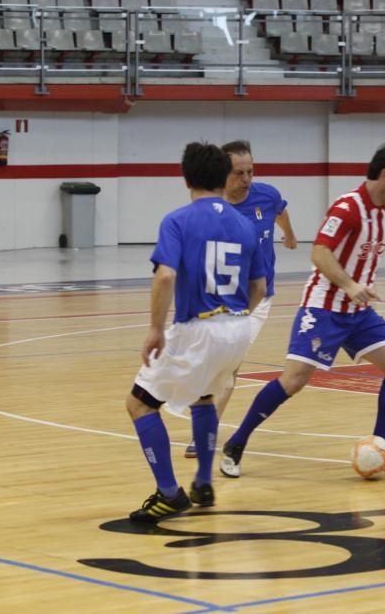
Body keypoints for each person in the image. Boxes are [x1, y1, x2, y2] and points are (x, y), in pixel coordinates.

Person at [219, 143, 385, 478]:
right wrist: (350, 285)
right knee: (293, 380)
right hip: (324, 307)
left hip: (359, 311)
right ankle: (236, 442)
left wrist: (358, 291)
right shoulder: (347, 208)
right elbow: (320, 254)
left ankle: (382, 445)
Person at [125, 142, 267, 523]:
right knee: (203, 396)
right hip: (238, 328)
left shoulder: (178, 220)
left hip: (200, 327)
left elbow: (166, 275)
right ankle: (203, 481)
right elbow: (259, 288)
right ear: (224, 177)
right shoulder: (245, 225)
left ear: (186, 177)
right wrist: (234, 322)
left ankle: (169, 493)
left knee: (140, 403)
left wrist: (156, 329)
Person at [185, 140, 297, 458]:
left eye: (250, 171)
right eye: (238, 173)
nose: (246, 178)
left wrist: (288, 234)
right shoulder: (212, 206)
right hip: (218, 298)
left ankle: (205, 434)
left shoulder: (268, 195)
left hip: (257, 299)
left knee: (229, 366)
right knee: (213, 365)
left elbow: (281, 211)